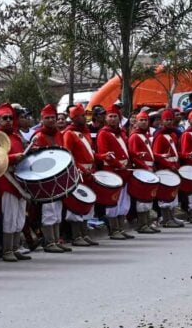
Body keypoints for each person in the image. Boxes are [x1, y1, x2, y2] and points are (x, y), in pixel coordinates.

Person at [29, 104, 70, 251]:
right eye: (48, 118)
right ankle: (49, 241)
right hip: (45, 180)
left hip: (58, 178)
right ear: (41, 119)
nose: (51, 120)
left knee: (57, 211)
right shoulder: (38, 136)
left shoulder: (59, 134)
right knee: (48, 211)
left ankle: (56, 239)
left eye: (53, 117)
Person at [0, 103, 29, 261]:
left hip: (20, 178)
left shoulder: (16, 135)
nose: (8, 120)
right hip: (6, 179)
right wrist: (13, 158)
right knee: (10, 215)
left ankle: (15, 247)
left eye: (10, 118)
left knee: (19, 215)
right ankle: (7, 250)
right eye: (4, 118)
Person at [62, 104, 99, 245]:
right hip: (78, 174)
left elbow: (91, 153)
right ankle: (77, 236)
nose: (85, 118)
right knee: (77, 203)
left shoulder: (85, 132)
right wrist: (82, 170)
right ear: (75, 118)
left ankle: (84, 233)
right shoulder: (69, 133)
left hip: (90, 173)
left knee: (88, 203)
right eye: (83, 115)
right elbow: (69, 156)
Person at [97, 105, 135, 239]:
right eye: (110, 116)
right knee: (113, 200)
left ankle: (120, 227)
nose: (113, 119)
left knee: (124, 200)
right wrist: (119, 164)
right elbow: (105, 153)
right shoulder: (103, 133)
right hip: (112, 171)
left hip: (124, 171)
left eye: (115, 116)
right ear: (106, 119)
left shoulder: (122, 132)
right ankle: (113, 229)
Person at [128, 110, 160, 233]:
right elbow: (134, 155)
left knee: (148, 197)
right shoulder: (135, 136)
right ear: (136, 122)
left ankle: (147, 222)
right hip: (142, 171)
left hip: (149, 169)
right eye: (141, 120)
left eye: (146, 120)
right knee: (142, 198)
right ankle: (142, 224)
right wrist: (145, 168)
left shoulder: (145, 135)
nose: (144, 122)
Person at [152, 109, 184, 228]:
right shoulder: (159, 136)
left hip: (174, 168)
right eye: (167, 120)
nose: (169, 122)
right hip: (165, 169)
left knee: (172, 194)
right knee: (165, 195)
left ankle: (171, 217)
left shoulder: (173, 134)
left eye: (171, 119)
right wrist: (169, 165)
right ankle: (166, 219)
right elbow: (156, 155)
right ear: (162, 121)